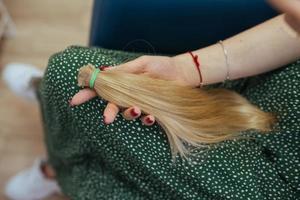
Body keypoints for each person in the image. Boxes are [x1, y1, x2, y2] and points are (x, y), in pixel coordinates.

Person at [2, 6, 300, 200]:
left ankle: (58, 169)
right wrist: (190, 69)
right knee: (71, 81)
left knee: (74, 97)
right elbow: (293, 28)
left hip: (265, 185)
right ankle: (55, 103)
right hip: (267, 81)